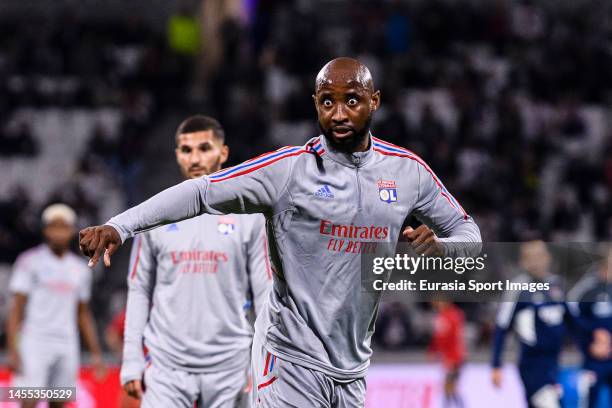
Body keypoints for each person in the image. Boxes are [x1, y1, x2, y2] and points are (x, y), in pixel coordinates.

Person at [79, 57, 481, 407]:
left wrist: (444, 249)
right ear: (315, 105)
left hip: (353, 367)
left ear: (374, 102)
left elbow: (469, 235)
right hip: (290, 360)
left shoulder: (407, 171)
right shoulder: (288, 170)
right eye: (327, 102)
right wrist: (121, 225)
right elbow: (201, 192)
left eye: (352, 100)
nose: (339, 113)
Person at [119, 115, 271, 408]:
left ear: (223, 153)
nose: (195, 158)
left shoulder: (250, 217)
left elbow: (265, 293)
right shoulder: (153, 216)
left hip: (231, 365)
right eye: (187, 150)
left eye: (205, 148)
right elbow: (138, 291)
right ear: (177, 154)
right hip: (165, 366)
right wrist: (131, 360)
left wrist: (261, 360)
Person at [7, 203, 104, 408]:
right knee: (30, 399)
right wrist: (13, 350)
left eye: (64, 227)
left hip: (66, 342)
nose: (59, 232)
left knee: (59, 400)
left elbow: (83, 314)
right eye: (54, 226)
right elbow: (16, 310)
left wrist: (95, 352)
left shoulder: (80, 269)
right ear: (45, 230)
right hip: (35, 340)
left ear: (72, 231)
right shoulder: (29, 262)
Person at [491, 240, 570, 408]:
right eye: (531, 257)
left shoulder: (555, 285)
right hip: (532, 364)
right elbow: (501, 327)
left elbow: (571, 319)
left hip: (554, 363)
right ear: (523, 261)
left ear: (548, 258)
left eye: (540, 256)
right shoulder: (517, 288)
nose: (537, 261)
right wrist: (496, 365)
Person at [568, 246, 612, 408]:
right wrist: (591, 336)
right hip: (594, 359)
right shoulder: (589, 288)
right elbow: (570, 312)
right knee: (590, 399)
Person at [429, 299, 466, 408]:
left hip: (454, 358)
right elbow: (437, 338)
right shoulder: (441, 316)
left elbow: (454, 339)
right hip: (448, 357)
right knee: (449, 388)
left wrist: (452, 358)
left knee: (449, 387)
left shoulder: (453, 315)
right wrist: (433, 351)